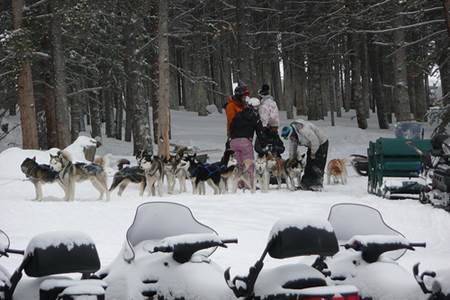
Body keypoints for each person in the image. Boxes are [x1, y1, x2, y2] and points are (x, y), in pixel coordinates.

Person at [229, 97, 266, 189]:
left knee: (239, 163)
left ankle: (239, 183)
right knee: (248, 163)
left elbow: (231, 127)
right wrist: (264, 145)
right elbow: (260, 132)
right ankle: (249, 184)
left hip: (233, 141)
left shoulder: (238, 114)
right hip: (245, 141)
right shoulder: (255, 117)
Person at [281, 119, 328, 190]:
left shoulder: (303, 130)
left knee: (317, 164)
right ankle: (306, 183)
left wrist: (313, 153)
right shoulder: (293, 136)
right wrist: (291, 160)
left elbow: (315, 141)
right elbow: (292, 148)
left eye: (291, 137)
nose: (291, 139)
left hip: (321, 143)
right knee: (309, 164)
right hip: (311, 145)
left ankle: (317, 184)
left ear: (292, 132)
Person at [255, 83, 284, 157]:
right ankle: (275, 155)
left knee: (261, 147)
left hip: (266, 128)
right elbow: (275, 116)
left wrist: (263, 127)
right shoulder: (273, 103)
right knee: (275, 144)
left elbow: (264, 117)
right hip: (274, 128)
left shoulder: (264, 105)